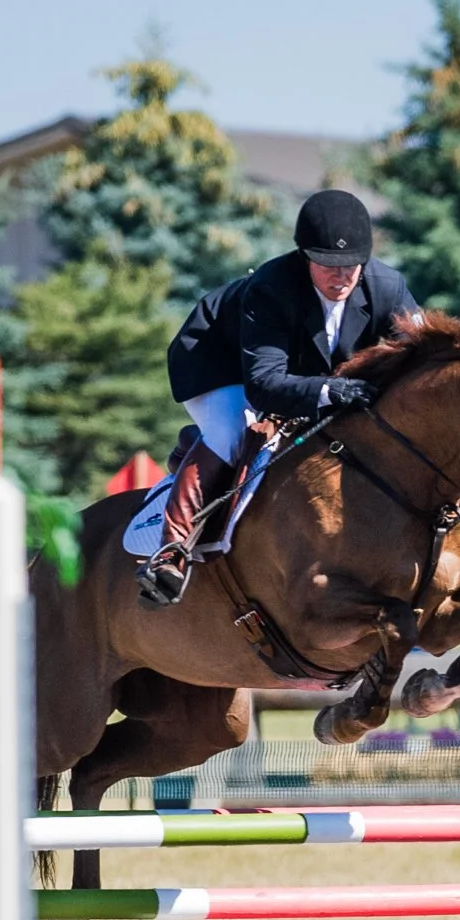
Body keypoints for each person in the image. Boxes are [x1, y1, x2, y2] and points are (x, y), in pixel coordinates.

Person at [144, 189, 422, 607]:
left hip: (300, 371)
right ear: (305, 257)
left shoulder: (387, 287)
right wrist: (330, 390)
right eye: (328, 264)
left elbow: (421, 354)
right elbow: (263, 384)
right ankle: (171, 551)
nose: (342, 276)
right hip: (218, 360)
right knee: (231, 431)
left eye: (351, 265)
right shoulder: (272, 288)